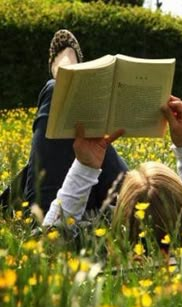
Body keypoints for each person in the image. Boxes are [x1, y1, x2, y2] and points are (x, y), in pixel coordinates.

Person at [43, 95, 182, 250]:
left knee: (54, 94)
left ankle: (63, 68)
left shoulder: (98, 256)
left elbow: (49, 241)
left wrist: (84, 167)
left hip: (78, 215)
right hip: (98, 218)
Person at [22, 29, 128, 216]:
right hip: (136, 207)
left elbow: (53, 235)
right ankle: (68, 78)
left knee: (56, 92)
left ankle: (66, 79)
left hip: (60, 221)